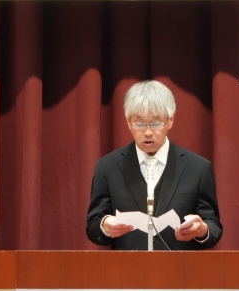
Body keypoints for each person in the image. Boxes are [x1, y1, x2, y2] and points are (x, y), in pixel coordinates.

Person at [86, 80, 222, 250]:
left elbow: (213, 226)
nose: (148, 132)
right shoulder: (108, 167)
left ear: (171, 120)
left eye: (156, 124)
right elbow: (93, 225)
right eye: (140, 124)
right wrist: (105, 226)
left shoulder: (198, 168)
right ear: (128, 123)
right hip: (127, 265)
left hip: (180, 265)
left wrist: (202, 230)